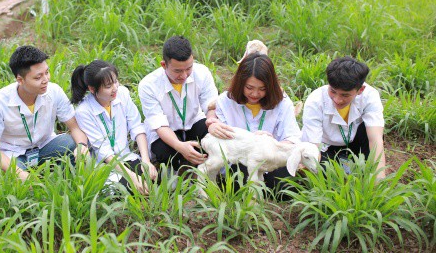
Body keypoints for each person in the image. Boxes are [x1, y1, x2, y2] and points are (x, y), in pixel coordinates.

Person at [0, 45, 89, 181]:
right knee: (9, 177)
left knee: (71, 143)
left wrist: (82, 146)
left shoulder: (54, 91)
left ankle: (66, 179)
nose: (46, 80)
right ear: (20, 80)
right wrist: (20, 174)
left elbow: (74, 127)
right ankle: (28, 174)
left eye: (47, 72)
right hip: (14, 154)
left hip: (45, 146)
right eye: (38, 77)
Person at [207, 52, 302, 190]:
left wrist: (273, 144)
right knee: (239, 182)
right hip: (240, 159)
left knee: (285, 187)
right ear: (240, 83)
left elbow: (293, 137)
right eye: (249, 88)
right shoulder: (225, 101)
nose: (255, 94)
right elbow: (225, 142)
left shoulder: (282, 103)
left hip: (271, 159)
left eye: (262, 89)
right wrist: (212, 124)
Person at [70, 60, 157, 193]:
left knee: (153, 178)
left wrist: (146, 160)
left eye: (116, 81)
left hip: (127, 157)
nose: (115, 88)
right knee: (129, 188)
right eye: (108, 86)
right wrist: (132, 177)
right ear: (92, 89)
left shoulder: (122, 94)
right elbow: (104, 152)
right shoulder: (84, 111)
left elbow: (136, 127)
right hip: (106, 165)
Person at [139, 36, 218, 171]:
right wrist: (180, 146)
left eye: (188, 68)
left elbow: (211, 104)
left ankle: (203, 168)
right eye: (177, 71)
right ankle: (175, 169)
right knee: (165, 153)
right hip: (166, 129)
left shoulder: (202, 73)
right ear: (164, 65)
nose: (184, 75)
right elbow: (159, 124)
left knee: (212, 137)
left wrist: (212, 122)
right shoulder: (148, 85)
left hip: (193, 121)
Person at [301, 57, 386, 178]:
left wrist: (379, 178)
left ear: (360, 90)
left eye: (345, 95)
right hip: (326, 148)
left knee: (370, 131)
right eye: (333, 91)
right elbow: (314, 147)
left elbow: (375, 140)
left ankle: (362, 171)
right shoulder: (315, 101)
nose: (337, 99)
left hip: (355, 144)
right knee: (331, 175)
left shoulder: (370, 96)